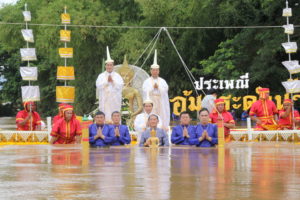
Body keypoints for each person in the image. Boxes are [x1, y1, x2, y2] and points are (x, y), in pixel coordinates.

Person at [142, 49, 170, 130]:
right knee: (151, 115)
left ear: (159, 71)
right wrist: (152, 88)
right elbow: (144, 90)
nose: (155, 72)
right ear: (151, 71)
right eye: (153, 70)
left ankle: (162, 128)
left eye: (156, 70)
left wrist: (159, 88)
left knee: (161, 115)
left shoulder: (162, 81)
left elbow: (165, 90)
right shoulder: (146, 81)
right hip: (151, 101)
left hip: (160, 101)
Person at [96, 46, 124, 123]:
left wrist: (113, 82)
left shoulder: (117, 76)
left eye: (110, 65)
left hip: (114, 101)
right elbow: (98, 86)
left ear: (113, 66)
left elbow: (120, 86)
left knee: (114, 114)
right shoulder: (101, 76)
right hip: (104, 100)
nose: (109, 67)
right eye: (107, 65)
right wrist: (106, 82)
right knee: (105, 114)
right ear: (105, 66)